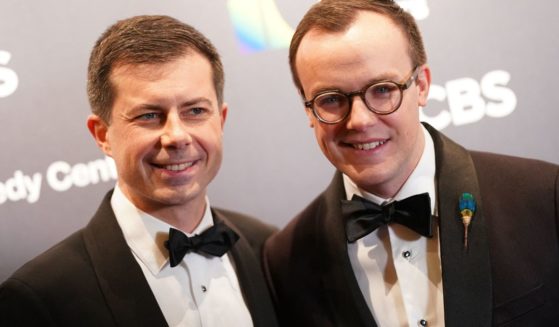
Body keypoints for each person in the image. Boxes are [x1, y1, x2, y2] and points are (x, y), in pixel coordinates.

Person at [263, 1, 559, 326]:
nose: (359, 121)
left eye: (382, 90)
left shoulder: (542, 198)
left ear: (422, 85)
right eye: (331, 99)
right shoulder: (285, 260)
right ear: (308, 110)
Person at [0, 15, 278, 327]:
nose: (176, 136)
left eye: (196, 111)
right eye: (148, 115)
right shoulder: (39, 299)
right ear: (102, 134)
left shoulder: (270, 251)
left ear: (221, 120)